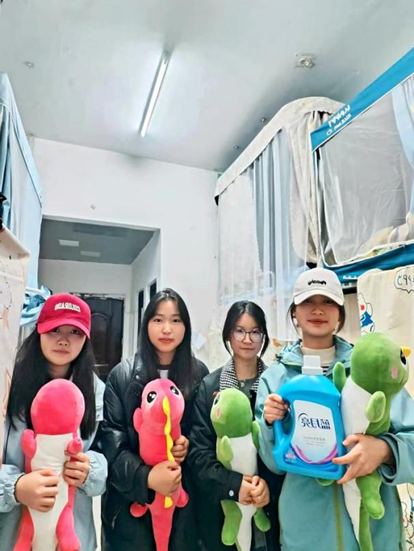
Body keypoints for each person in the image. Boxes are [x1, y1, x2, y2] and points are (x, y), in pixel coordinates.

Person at [256, 267, 414, 551]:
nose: (318, 309)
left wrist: (384, 450)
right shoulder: (276, 379)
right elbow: (272, 463)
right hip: (306, 533)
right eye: (308, 301)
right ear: (294, 312)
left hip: (374, 531)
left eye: (328, 301)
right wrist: (271, 424)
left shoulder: (371, 367)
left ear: (340, 313)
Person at [101, 288, 209, 551]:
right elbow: (111, 447)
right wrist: (146, 477)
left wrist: (187, 445)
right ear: (146, 324)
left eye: (176, 320)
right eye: (158, 320)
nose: (167, 329)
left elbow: (204, 437)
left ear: (185, 327)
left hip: (183, 512)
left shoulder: (198, 374)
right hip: (130, 513)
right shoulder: (122, 376)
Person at [0, 293, 107, 551]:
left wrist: (89, 470)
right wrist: (15, 487)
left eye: (75, 332)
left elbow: (107, 456)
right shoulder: (8, 383)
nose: (64, 340)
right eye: (55, 329)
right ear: (39, 330)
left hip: (71, 534)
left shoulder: (96, 392)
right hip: (14, 534)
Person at [188, 300, 281, 551]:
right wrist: (233, 485)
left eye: (255, 332)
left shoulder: (274, 385)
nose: (247, 339)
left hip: (268, 512)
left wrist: (268, 487)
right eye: (240, 331)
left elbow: (283, 446)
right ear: (229, 334)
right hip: (222, 512)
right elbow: (198, 455)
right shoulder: (210, 387)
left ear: (263, 337)